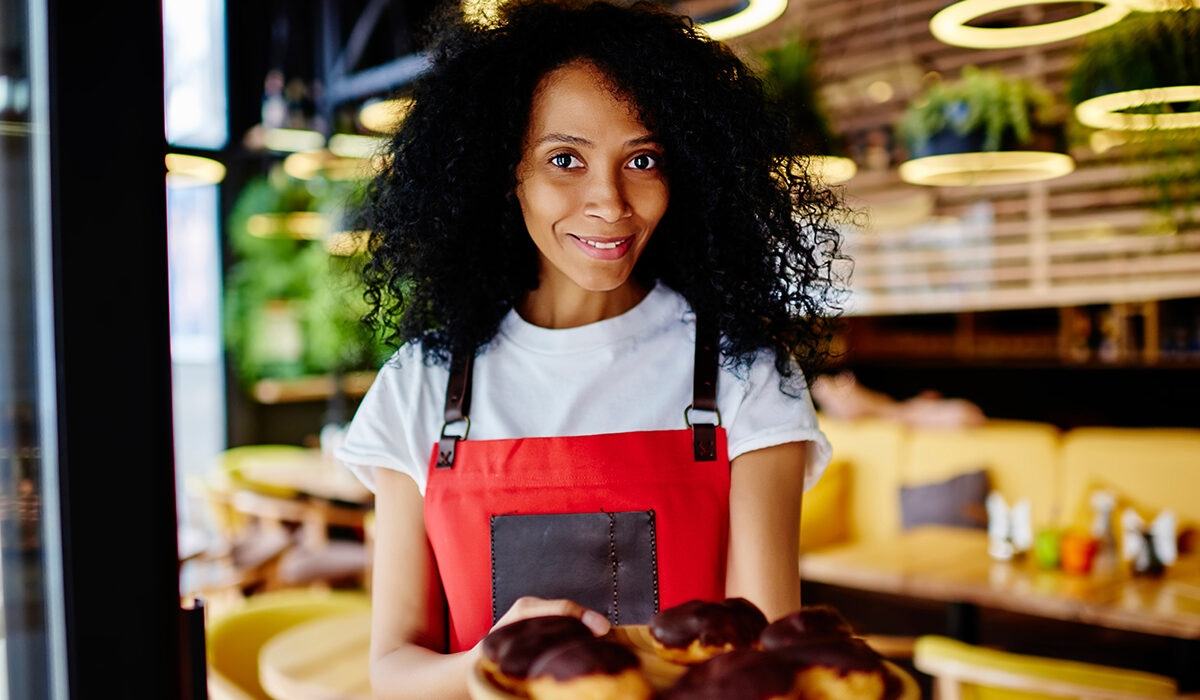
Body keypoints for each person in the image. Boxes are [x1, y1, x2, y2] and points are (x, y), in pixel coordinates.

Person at [334, 0, 845, 696]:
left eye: (642, 158)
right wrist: (495, 659)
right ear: (503, 171)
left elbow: (758, 664)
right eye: (565, 159)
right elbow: (393, 674)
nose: (610, 202)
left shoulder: (743, 373)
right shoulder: (422, 383)